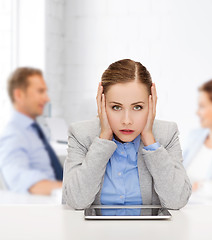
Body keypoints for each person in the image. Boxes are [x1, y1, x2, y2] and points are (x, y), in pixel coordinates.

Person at [62, 59, 191, 210]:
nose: (127, 121)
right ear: (101, 104)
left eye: (137, 107)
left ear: (151, 104)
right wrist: (104, 138)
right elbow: (77, 201)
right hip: (94, 233)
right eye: (116, 107)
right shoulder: (81, 134)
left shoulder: (166, 134)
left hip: (150, 233)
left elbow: (177, 200)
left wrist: (150, 140)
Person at [0, 67, 63, 195]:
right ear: (19, 95)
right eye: (40, 91)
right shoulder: (13, 135)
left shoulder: (34, 131)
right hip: (45, 207)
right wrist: (70, 191)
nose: (46, 99)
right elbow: (21, 179)